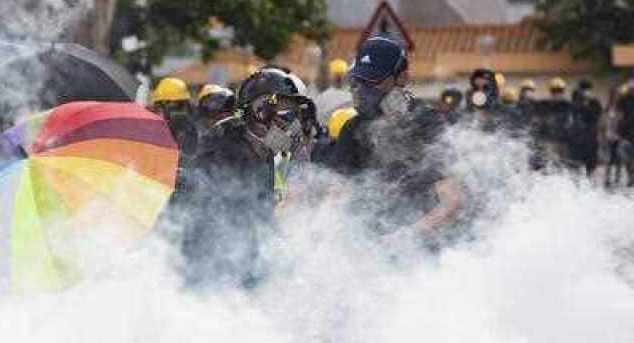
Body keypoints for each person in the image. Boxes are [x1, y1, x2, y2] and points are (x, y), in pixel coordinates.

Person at [171, 67, 316, 287]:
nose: (292, 125)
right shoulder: (221, 153)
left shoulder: (266, 152)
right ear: (259, 113)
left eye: (294, 115)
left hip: (240, 263)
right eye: (287, 115)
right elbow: (231, 223)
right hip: (210, 271)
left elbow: (265, 219)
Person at [331, 37, 465, 244]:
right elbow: (340, 194)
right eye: (358, 81)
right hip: (369, 245)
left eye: (372, 82)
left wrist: (406, 238)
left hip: (425, 248)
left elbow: (453, 202)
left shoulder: (429, 123)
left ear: (402, 78)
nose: (362, 90)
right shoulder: (352, 129)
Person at [566, 79, 602, 177]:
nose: (585, 92)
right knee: (575, 167)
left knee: (590, 167)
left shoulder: (594, 102)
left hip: (590, 139)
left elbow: (596, 116)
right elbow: (571, 117)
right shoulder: (575, 102)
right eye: (583, 89)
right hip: (576, 140)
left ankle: (589, 182)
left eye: (587, 89)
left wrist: (586, 104)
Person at [314, 58, 352, 125]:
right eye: (337, 75)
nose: (339, 78)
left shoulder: (322, 97)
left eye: (340, 74)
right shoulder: (352, 95)